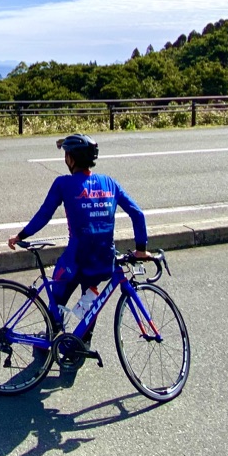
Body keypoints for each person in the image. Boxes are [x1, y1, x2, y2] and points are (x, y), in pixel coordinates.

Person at [8, 134, 151, 344]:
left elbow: (44, 214)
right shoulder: (109, 183)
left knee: (58, 294)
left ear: (71, 159)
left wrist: (21, 236)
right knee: (90, 301)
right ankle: (83, 341)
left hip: (76, 261)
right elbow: (137, 214)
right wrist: (141, 248)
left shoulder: (63, 184)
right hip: (103, 262)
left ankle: (51, 334)